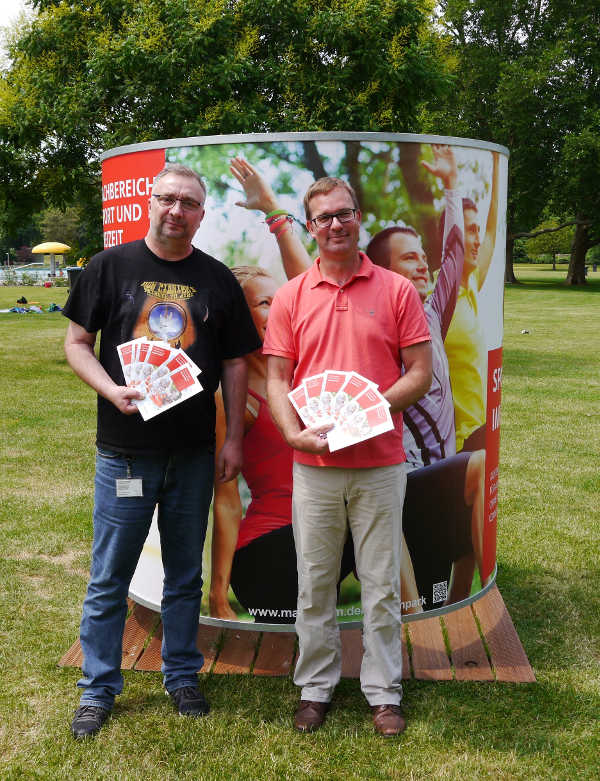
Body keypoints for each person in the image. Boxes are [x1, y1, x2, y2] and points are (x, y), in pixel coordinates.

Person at [62, 163, 261, 738]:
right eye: (169, 199)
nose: (178, 211)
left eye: (190, 203)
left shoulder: (217, 279)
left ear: (202, 214)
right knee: (110, 575)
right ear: (152, 202)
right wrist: (110, 388)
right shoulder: (109, 267)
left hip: (193, 455)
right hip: (125, 453)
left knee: (183, 575)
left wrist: (233, 439)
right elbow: (77, 343)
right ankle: (98, 689)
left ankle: (181, 675)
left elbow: (234, 361)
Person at [263, 176, 432, 736]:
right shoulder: (291, 295)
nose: (335, 225)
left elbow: (420, 374)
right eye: (323, 218)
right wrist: (291, 432)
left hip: (381, 466)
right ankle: (315, 687)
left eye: (344, 214)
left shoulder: (396, 290)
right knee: (314, 583)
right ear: (309, 228)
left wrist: (368, 411)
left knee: (381, 584)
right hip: (314, 469)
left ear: (359, 216)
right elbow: (277, 378)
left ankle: (384, 692)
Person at [367, 144, 488, 604]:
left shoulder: (432, 315)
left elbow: (453, 255)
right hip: (404, 485)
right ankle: (439, 603)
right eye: (410, 258)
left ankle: (453, 601)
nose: (423, 264)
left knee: (478, 453)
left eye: (422, 254)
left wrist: (451, 186)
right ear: (382, 271)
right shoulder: (371, 324)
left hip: (440, 476)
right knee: (475, 465)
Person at [209, 266, 356, 624]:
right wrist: (217, 595)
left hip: (323, 527)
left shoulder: (306, 371)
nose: (278, 311)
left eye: (282, 302)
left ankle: (425, 616)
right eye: (263, 302)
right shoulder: (233, 396)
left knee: (392, 501)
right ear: (239, 313)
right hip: (268, 547)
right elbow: (227, 499)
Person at [444, 151, 500, 452]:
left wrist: (496, 163)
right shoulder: (439, 295)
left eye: (476, 230)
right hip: (453, 446)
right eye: (469, 231)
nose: (477, 239)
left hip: (478, 438)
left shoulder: (473, 283)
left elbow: (492, 228)